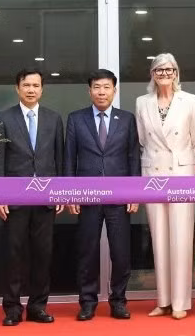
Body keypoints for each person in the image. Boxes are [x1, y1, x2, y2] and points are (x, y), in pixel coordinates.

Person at [64, 69, 141, 321]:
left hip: (119, 197)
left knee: (121, 252)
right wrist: (70, 194)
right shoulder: (76, 119)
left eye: (106, 87)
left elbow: (133, 158)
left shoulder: (126, 119)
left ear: (114, 91)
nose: (101, 92)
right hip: (87, 196)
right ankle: (87, 302)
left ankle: (118, 301)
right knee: (86, 251)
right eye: (96, 87)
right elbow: (69, 159)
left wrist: (134, 193)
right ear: (90, 91)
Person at [0, 69, 64, 327]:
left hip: (45, 200)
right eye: (26, 85)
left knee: (43, 254)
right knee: (14, 255)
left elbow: (59, 159)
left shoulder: (53, 119)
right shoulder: (2, 118)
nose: (31, 89)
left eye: (36, 85)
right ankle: (12, 308)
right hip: (14, 201)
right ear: (17, 88)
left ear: (42, 89)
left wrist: (60, 192)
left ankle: (37, 306)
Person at [135, 53, 195, 320]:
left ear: (177, 73)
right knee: (159, 239)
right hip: (152, 172)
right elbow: (143, 139)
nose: (164, 74)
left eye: (169, 70)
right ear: (152, 74)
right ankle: (162, 300)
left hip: (181, 174)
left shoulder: (191, 101)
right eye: (159, 70)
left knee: (181, 238)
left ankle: (180, 301)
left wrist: (188, 168)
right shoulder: (142, 102)